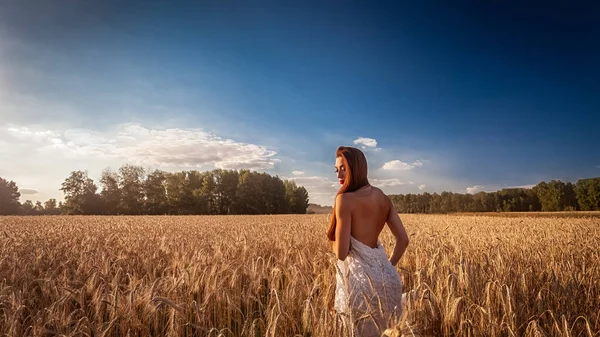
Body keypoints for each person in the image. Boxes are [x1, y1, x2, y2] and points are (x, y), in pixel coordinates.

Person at [328, 146, 410, 336]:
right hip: (388, 281)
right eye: (336, 169)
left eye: (343, 168)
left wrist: (333, 240)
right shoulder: (382, 197)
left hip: (359, 286)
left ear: (356, 168)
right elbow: (403, 240)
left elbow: (341, 253)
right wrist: (387, 268)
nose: (339, 174)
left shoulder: (344, 200)